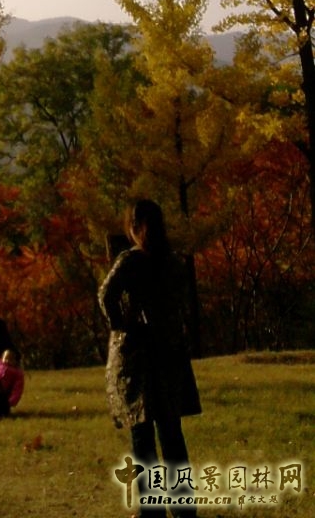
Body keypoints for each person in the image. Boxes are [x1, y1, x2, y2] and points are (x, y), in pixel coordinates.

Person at [98, 199, 201, 515]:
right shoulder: (172, 262)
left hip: (139, 358)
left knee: (142, 438)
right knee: (172, 435)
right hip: (169, 354)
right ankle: (184, 508)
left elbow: (105, 295)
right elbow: (183, 305)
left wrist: (122, 325)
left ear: (135, 225)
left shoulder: (131, 261)